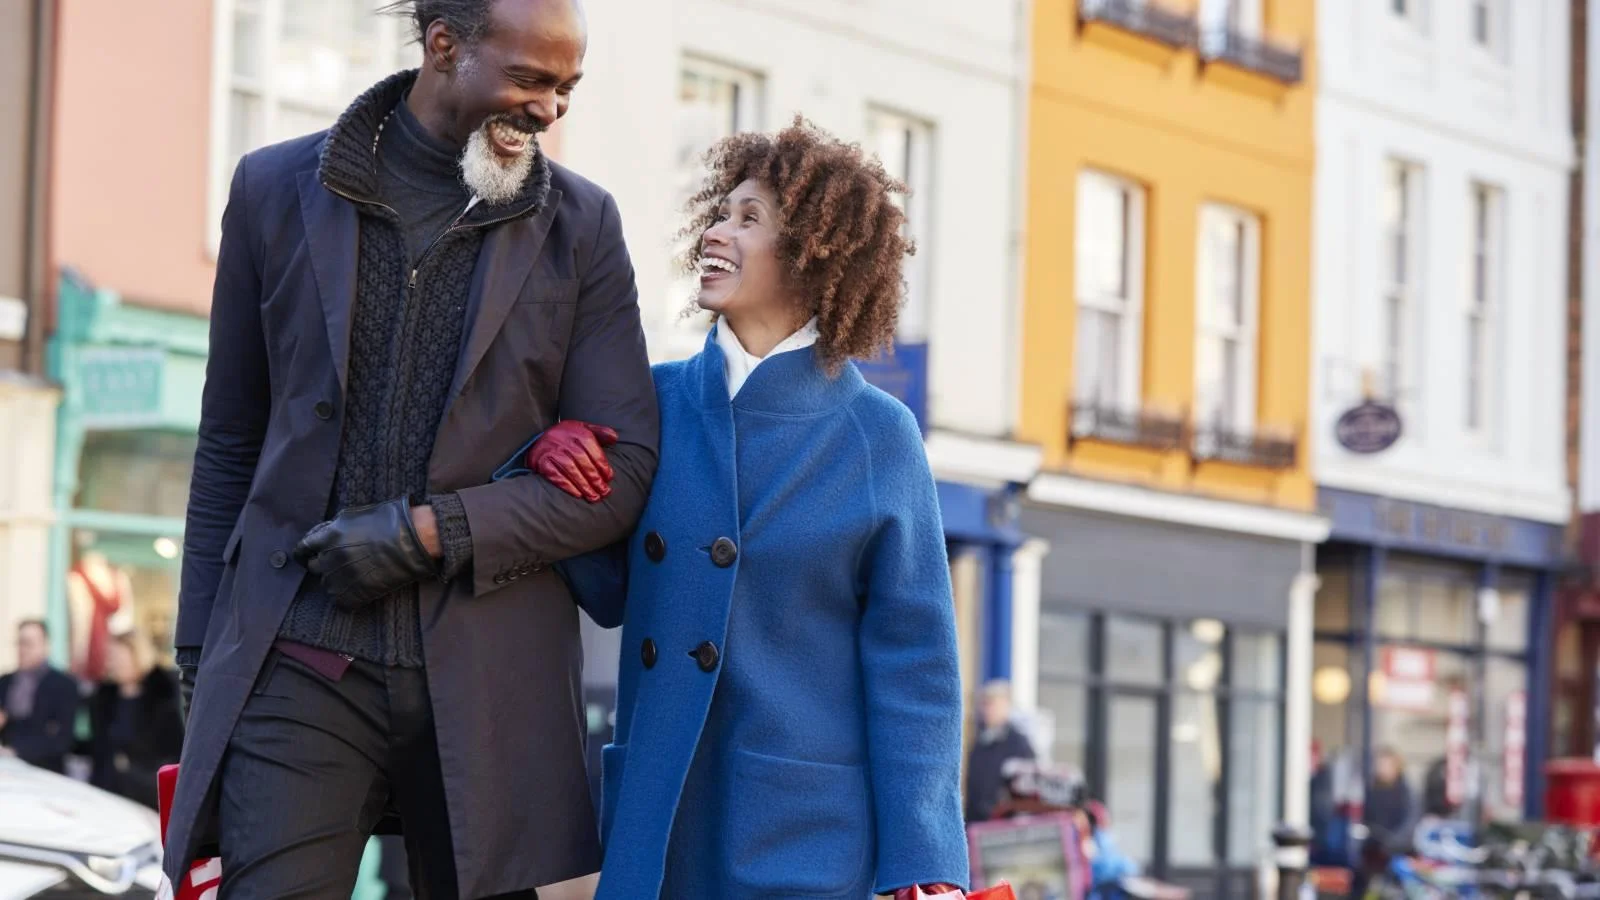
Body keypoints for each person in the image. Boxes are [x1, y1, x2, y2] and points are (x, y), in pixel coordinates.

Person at [162, 0, 660, 895]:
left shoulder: (583, 227)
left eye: (567, 88)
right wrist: (199, 655)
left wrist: (429, 534)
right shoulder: (272, 190)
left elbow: (623, 474)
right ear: (443, 47)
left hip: (492, 678)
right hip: (296, 660)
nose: (550, 110)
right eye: (530, 79)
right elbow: (230, 443)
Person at [523, 117, 968, 899]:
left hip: (804, 832)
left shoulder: (876, 436)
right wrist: (553, 473)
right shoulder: (651, 401)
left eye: (748, 218)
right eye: (719, 213)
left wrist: (924, 864)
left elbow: (915, 666)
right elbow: (607, 592)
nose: (717, 233)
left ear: (812, 254)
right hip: (659, 819)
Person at [88, 631, 184, 809]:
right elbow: (98, 748)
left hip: (148, 796)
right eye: (111, 657)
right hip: (108, 794)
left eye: (119, 657)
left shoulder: (163, 696)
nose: (113, 664)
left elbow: (174, 750)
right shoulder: (104, 697)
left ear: (138, 656)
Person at [0, 619, 81, 773]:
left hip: (46, 772)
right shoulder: (5, 682)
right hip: (8, 771)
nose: (22, 649)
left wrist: (17, 751)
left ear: (44, 645)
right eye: (19, 643)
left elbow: (63, 739)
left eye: (28, 643)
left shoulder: (64, 685)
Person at [965, 679, 1038, 823]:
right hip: (978, 823)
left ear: (1006, 706)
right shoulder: (980, 743)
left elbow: (1026, 790)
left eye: (992, 704)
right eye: (985, 704)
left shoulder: (1019, 743)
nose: (987, 710)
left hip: (1004, 827)